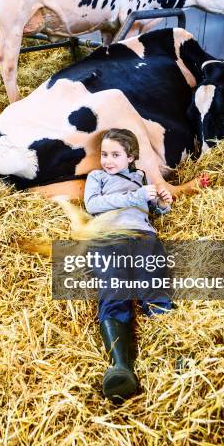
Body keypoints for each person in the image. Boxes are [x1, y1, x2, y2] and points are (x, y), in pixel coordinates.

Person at [84, 128, 173, 401]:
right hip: (107, 237)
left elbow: (148, 211)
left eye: (116, 155)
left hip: (143, 236)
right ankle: (121, 366)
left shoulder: (140, 178)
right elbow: (93, 205)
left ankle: (172, 353)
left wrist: (161, 204)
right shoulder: (96, 177)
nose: (108, 160)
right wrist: (134, 197)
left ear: (131, 156)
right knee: (114, 289)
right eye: (104, 154)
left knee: (154, 287)